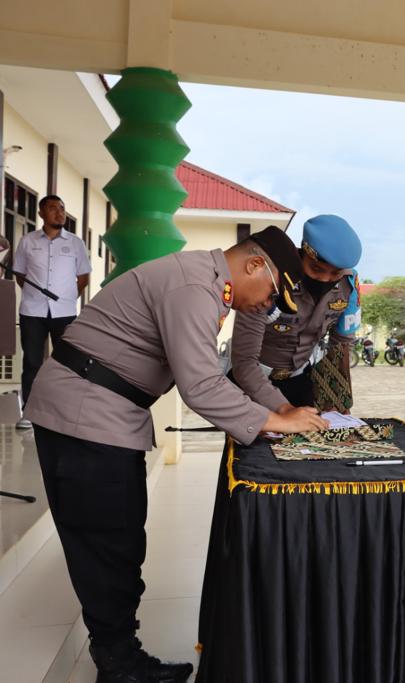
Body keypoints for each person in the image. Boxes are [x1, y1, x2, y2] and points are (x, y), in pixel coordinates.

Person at [24, 227, 328, 683]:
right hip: (85, 414)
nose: (267, 306)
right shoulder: (194, 287)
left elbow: (222, 374)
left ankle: (121, 654)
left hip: (102, 412)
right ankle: (118, 665)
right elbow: (201, 385)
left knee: (118, 543)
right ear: (252, 265)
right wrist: (278, 422)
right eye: (271, 294)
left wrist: (275, 411)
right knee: (107, 546)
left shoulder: (203, 282)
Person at [230, 215, 361, 412]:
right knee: (253, 442)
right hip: (253, 384)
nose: (325, 279)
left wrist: (335, 398)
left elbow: (342, 345)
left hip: (301, 381)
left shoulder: (348, 285)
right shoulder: (270, 277)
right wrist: (284, 411)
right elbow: (245, 361)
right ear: (303, 253)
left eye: (335, 274)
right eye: (316, 269)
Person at [10, 195, 90, 429]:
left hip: (64, 313)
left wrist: (66, 298)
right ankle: (29, 412)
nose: (60, 213)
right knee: (32, 362)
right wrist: (36, 296)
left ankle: (65, 412)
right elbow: (20, 275)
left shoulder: (76, 243)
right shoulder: (28, 241)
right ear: (42, 213)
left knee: (66, 363)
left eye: (62, 209)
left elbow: (83, 277)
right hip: (32, 312)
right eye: (53, 208)